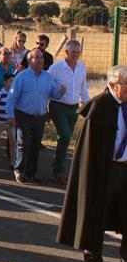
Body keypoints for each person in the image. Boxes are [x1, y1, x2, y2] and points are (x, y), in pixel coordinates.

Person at [57, 65, 127, 262]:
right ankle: (94, 259)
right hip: (103, 171)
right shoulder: (100, 107)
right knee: (97, 213)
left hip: (125, 169)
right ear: (113, 85)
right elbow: (88, 149)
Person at [6, 48, 66, 184]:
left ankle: (31, 172)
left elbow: (54, 94)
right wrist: (10, 116)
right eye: (36, 57)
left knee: (36, 145)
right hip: (23, 115)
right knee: (24, 143)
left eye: (41, 57)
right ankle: (19, 170)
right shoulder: (22, 76)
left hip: (40, 116)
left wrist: (61, 92)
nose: (40, 60)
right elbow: (12, 98)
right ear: (29, 60)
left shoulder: (47, 76)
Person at [47, 40, 89, 184]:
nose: (76, 55)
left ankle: (57, 171)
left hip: (74, 109)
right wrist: (46, 106)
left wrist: (88, 107)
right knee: (65, 136)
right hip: (58, 106)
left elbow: (83, 89)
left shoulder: (82, 68)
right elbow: (46, 87)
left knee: (65, 139)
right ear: (66, 52)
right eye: (73, 52)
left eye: (78, 52)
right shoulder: (55, 68)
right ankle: (57, 170)